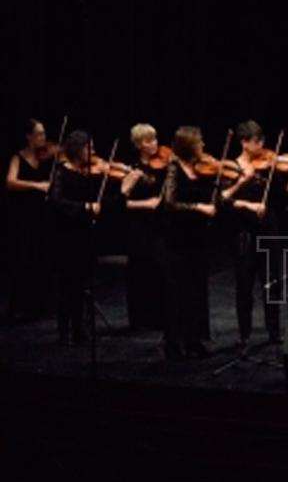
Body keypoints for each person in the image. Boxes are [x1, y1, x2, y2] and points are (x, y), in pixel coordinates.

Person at [50, 130, 141, 344]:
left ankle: (80, 329)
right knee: (67, 285)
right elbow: (57, 203)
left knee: (83, 284)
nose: (94, 151)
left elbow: (104, 205)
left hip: (86, 236)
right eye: (88, 148)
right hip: (66, 237)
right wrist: (85, 206)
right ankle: (64, 331)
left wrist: (124, 190)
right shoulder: (61, 172)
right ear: (76, 150)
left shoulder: (91, 174)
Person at [220, 120, 282, 352]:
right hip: (244, 234)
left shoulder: (267, 165)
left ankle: (274, 332)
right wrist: (247, 201)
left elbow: (283, 194)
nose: (261, 146)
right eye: (257, 142)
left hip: (268, 231)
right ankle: (244, 335)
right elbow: (223, 201)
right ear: (244, 143)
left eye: (262, 140)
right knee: (244, 287)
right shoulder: (232, 167)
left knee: (272, 284)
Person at [162, 126, 218, 359]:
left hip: (197, 237)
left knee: (196, 289)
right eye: (199, 142)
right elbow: (169, 203)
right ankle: (173, 342)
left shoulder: (199, 167)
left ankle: (194, 339)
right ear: (188, 145)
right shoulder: (174, 169)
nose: (203, 145)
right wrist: (198, 208)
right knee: (178, 290)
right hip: (178, 237)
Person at [4, 119, 55, 323]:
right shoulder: (18, 157)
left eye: (44, 133)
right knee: (23, 259)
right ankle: (18, 308)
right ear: (29, 136)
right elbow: (10, 182)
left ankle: (40, 307)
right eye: (39, 134)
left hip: (44, 216)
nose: (44, 138)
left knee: (42, 260)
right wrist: (36, 185)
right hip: (24, 217)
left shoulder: (48, 157)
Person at [124, 123, 168, 331]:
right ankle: (140, 320)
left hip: (159, 224)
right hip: (139, 226)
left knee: (160, 269)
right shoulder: (131, 169)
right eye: (148, 141)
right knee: (140, 270)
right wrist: (145, 204)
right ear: (138, 145)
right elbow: (121, 204)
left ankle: (160, 316)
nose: (154, 144)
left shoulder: (164, 166)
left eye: (155, 139)